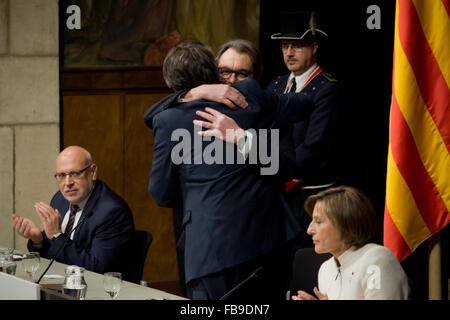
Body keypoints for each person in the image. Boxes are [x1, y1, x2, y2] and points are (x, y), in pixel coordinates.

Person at [145, 42, 315, 300]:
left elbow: (160, 193)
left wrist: (200, 196)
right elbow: (306, 103)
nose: (232, 81)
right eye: (225, 72)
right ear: (214, 73)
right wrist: (194, 93)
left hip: (222, 248)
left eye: (242, 74)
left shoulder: (168, 119)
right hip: (256, 245)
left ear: (255, 76)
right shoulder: (250, 97)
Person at [267, 11, 343, 249]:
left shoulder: (327, 89)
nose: (289, 53)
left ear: (314, 47)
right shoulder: (276, 84)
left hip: (309, 195)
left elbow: (313, 148)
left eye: (297, 46)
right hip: (277, 190)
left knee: (303, 258)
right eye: (285, 46)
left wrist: (271, 168)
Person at [12, 146, 136, 280]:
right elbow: (54, 253)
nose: (68, 183)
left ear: (93, 172)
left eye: (75, 173)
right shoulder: (60, 199)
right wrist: (38, 240)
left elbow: (97, 269)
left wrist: (57, 235)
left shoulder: (112, 212)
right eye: (61, 175)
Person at [292, 186, 410, 300]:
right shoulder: (325, 269)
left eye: (318, 221)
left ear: (345, 225)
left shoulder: (377, 260)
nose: (309, 230)